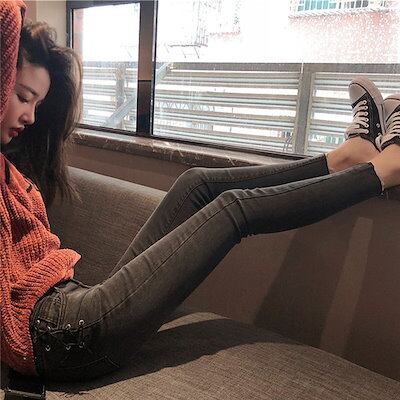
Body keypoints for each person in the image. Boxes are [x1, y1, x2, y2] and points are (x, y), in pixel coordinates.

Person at [2, 0, 400, 383]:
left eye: (37, 104)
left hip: (71, 307)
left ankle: (343, 159)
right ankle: (384, 169)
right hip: (60, 337)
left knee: (196, 183)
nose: (31, 117)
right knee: (233, 209)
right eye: (22, 97)